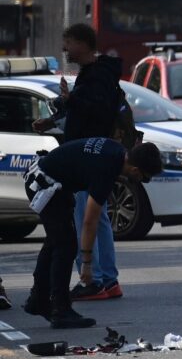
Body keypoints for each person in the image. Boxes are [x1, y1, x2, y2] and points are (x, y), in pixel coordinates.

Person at [22, 139, 162, 329]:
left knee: (56, 240)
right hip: (45, 185)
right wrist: (87, 265)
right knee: (66, 245)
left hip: (47, 177)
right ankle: (60, 310)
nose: (141, 181)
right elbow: (89, 221)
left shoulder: (116, 150)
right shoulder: (107, 169)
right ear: (136, 170)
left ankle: (39, 299)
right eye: (144, 178)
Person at [34, 23, 126, 302]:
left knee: (84, 218)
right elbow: (86, 106)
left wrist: (71, 100)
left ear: (84, 44)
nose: (65, 49)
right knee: (100, 220)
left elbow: (94, 109)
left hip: (87, 158)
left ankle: (94, 280)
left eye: (69, 42)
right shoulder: (97, 74)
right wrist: (57, 113)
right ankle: (108, 280)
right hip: (94, 155)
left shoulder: (96, 77)